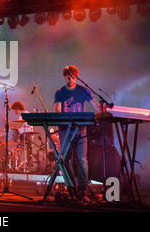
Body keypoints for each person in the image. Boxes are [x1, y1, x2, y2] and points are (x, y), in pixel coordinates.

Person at [54, 65, 100, 201]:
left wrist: (105, 110)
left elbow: (95, 106)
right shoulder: (60, 92)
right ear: (65, 77)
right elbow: (57, 110)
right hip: (65, 130)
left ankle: (82, 191)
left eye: (73, 76)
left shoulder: (83, 91)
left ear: (76, 77)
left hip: (80, 129)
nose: (70, 79)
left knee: (82, 160)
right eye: (68, 76)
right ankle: (71, 189)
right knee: (66, 160)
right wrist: (61, 117)